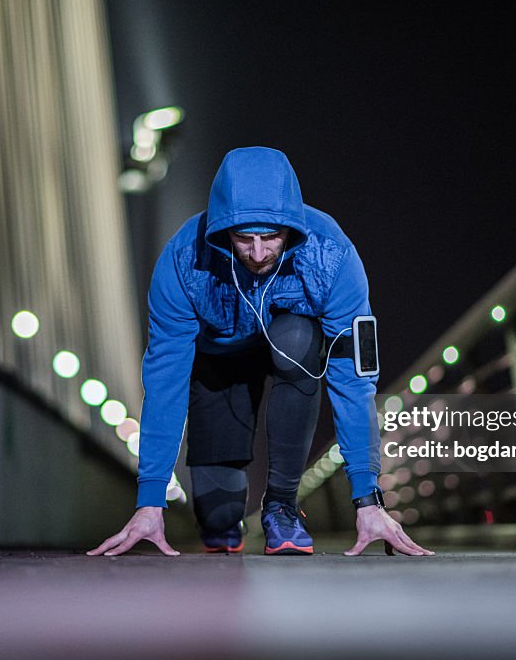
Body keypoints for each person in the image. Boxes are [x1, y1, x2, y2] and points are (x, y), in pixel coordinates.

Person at [87, 146, 432, 557]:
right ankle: (222, 517)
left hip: (289, 348)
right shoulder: (182, 262)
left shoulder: (332, 256)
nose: (256, 253)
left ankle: (282, 506)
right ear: (221, 230)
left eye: (270, 237)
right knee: (218, 524)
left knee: (297, 339)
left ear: (291, 227)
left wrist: (368, 499)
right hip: (219, 363)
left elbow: (354, 380)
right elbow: (164, 381)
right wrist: (150, 501)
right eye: (242, 238)